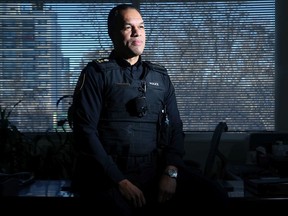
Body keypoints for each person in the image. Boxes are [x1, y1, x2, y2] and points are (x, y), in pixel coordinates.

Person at [70, 3, 228, 215]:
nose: (137, 33)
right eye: (128, 27)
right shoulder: (97, 74)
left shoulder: (159, 77)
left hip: (153, 170)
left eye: (141, 26)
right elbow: (85, 133)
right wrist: (121, 181)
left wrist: (170, 172)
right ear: (112, 33)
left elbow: (176, 130)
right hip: (110, 174)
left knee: (213, 195)